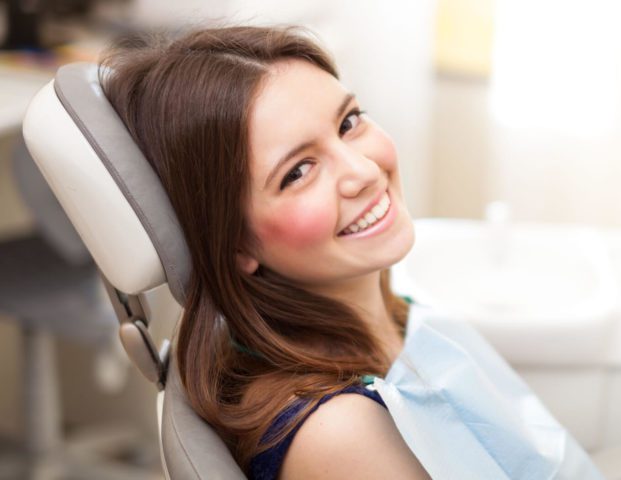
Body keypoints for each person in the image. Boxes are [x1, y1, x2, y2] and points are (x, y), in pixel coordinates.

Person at [100, 26, 429, 479]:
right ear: (234, 243)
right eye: (297, 172)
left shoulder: (390, 318)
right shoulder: (340, 433)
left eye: (348, 123)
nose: (365, 171)